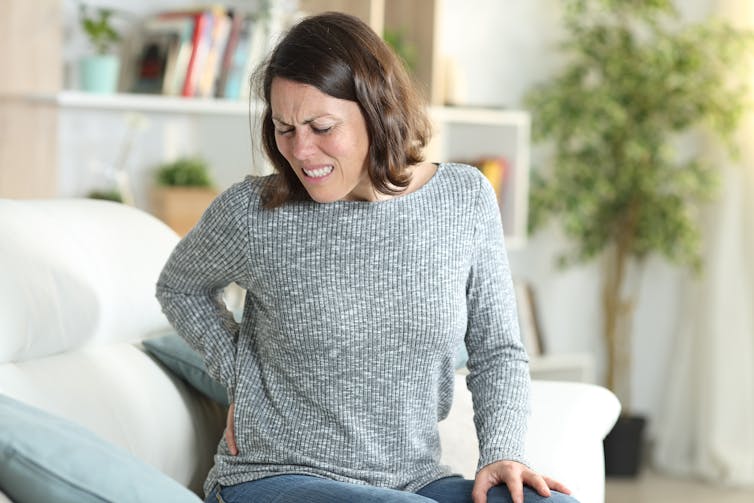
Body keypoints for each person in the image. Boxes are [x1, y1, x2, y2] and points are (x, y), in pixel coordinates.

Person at [156, 11, 578, 503]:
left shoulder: (464, 199)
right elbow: (180, 287)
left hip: (415, 482)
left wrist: (503, 450)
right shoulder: (253, 211)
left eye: (321, 126)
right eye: (284, 128)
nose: (300, 150)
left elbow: (497, 349)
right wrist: (239, 374)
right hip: (277, 477)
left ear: (377, 111)